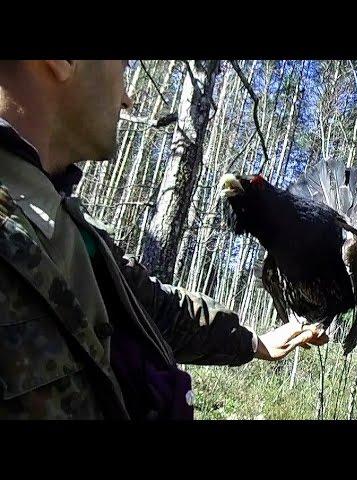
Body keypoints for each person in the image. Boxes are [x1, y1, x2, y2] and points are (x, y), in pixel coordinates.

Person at [0, 60, 328, 420]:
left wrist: (253, 342)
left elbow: (151, 306)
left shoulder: (66, 223)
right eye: (123, 68)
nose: (128, 98)